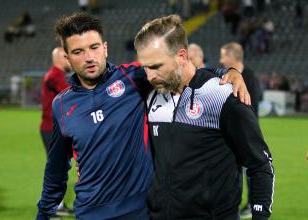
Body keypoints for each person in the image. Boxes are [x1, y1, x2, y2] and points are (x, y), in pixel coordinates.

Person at [36, 12, 250, 220]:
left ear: (105, 48)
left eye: (94, 47)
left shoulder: (132, 78)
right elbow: (56, 168)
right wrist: (43, 213)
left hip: (140, 210)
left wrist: (227, 73)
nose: (89, 57)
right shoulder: (62, 105)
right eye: (78, 52)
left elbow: (178, 67)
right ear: (67, 57)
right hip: (90, 212)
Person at [134, 14, 274, 220]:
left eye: (156, 66)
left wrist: (259, 216)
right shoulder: (152, 93)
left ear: (182, 56)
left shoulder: (223, 95)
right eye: (144, 67)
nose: (149, 76)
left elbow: (260, 164)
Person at [220, 42, 261, 219]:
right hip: (231, 134)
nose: (221, 60)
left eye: (223, 55)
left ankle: (253, 205)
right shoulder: (226, 76)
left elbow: (251, 107)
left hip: (246, 133)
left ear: (232, 56)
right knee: (236, 171)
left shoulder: (249, 77)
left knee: (251, 169)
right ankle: (240, 205)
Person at [39, 47, 73, 217]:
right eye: (66, 57)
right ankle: (53, 206)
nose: (70, 60)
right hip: (50, 129)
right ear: (60, 58)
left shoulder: (56, 75)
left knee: (59, 167)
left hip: (53, 128)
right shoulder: (55, 76)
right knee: (56, 168)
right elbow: (71, 96)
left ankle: (57, 205)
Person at [220, 42, 261, 116]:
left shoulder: (251, 78)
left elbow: (253, 108)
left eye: (223, 57)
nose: (221, 61)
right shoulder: (223, 76)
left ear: (232, 57)